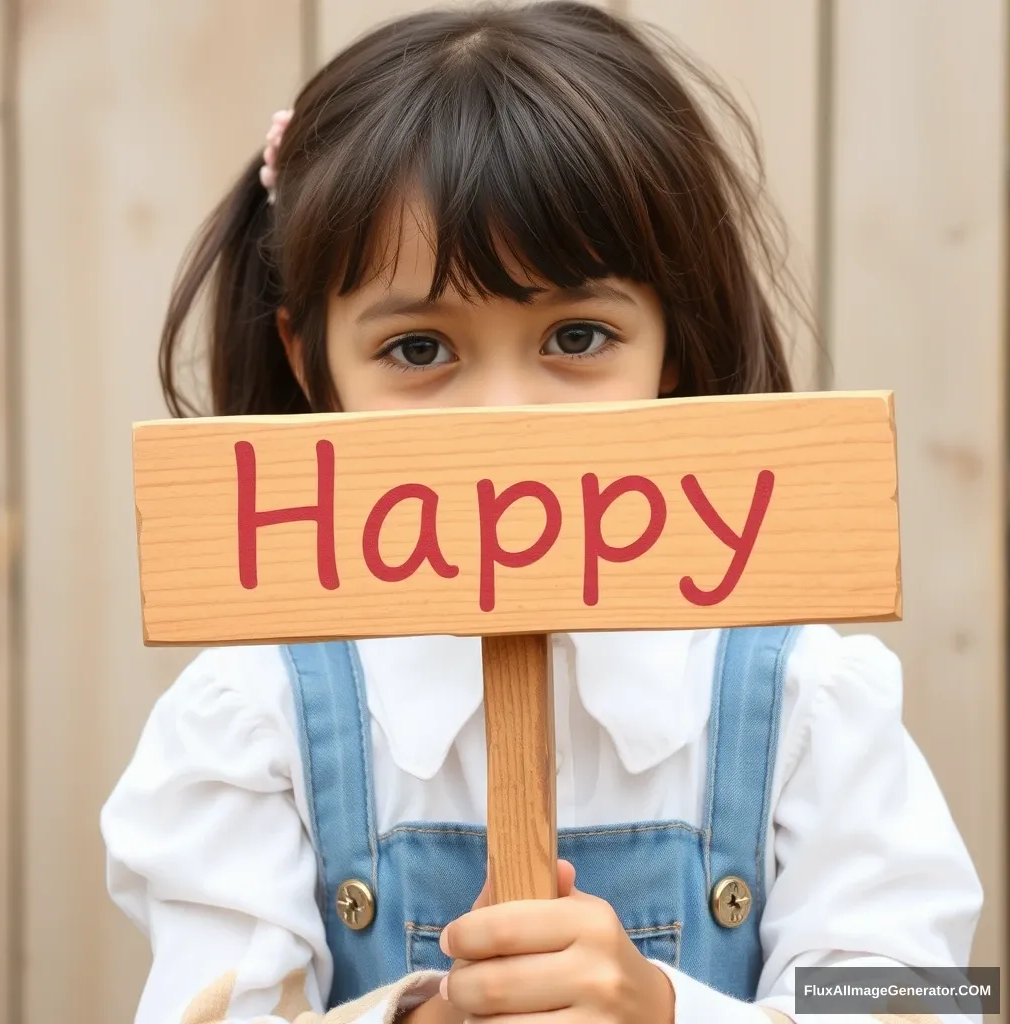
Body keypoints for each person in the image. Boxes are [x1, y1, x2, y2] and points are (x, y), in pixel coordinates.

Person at [101, 3, 983, 1022]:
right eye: (419, 350)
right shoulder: (253, 717)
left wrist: (666, 1010)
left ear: (674, 345)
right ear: (313, 364)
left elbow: (937, 992)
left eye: (575, 337)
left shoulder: (811, 697)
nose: (504, 418)